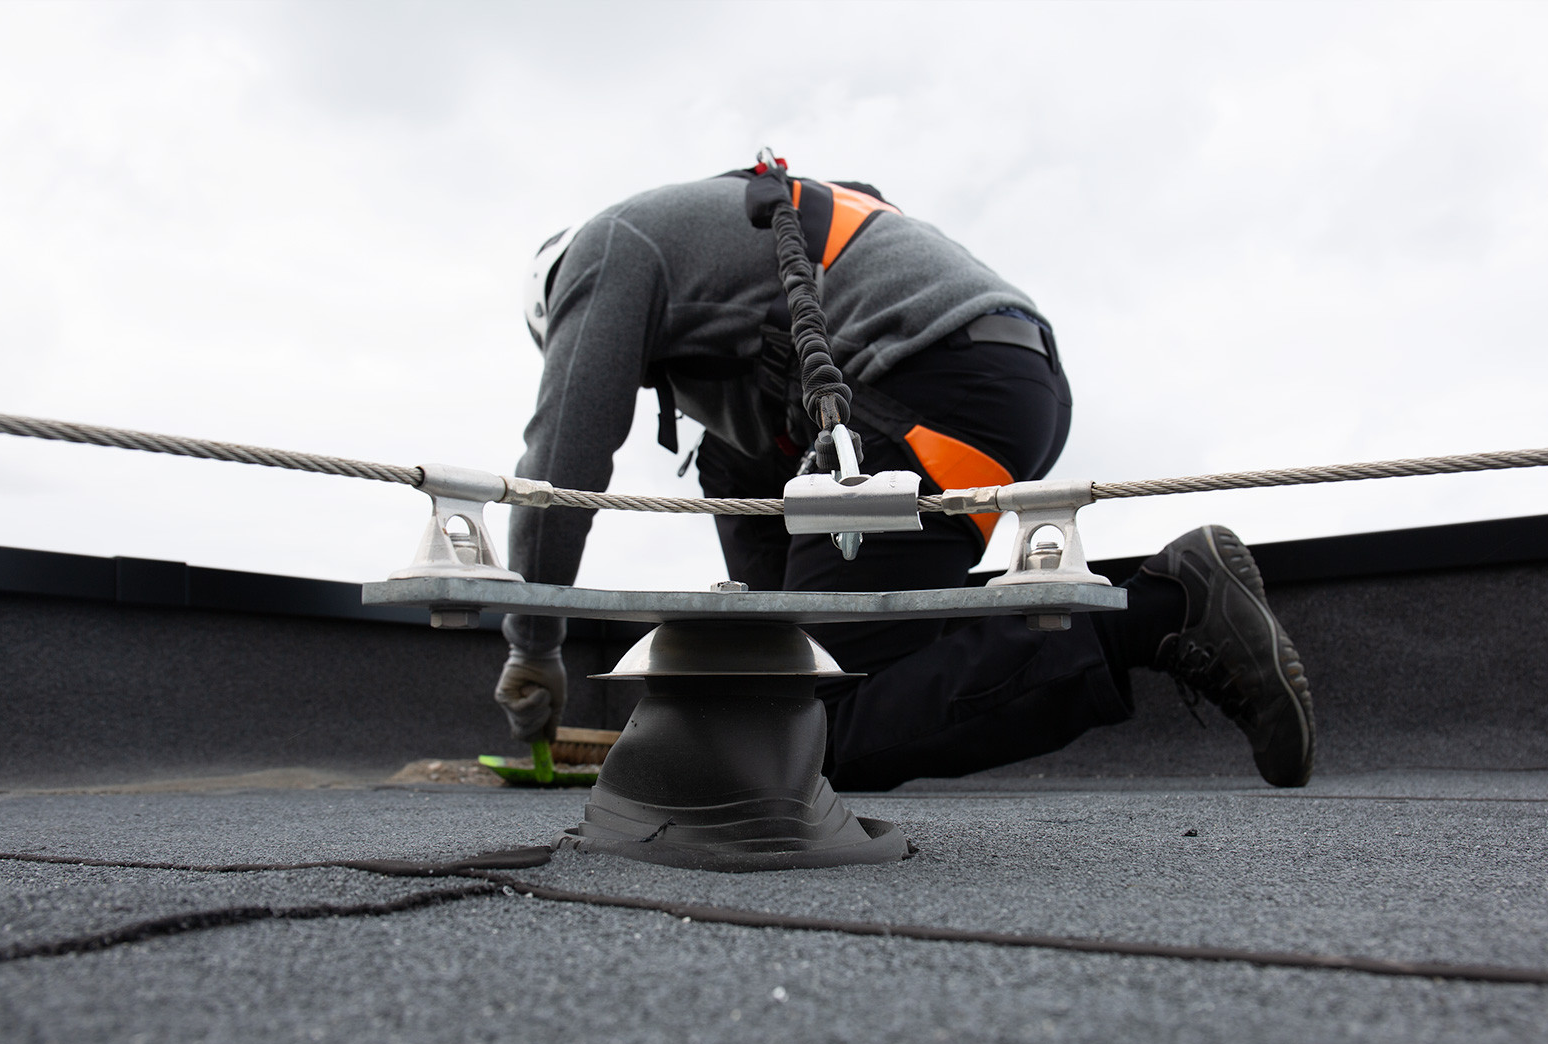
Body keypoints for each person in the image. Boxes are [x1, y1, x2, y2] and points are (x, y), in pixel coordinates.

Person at [494, 157, 1315, 790]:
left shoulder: (607, 249)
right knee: (832, 686)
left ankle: (1163, 610)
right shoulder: (733, 277)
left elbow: (560, 460)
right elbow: (768, 551)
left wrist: (533, 648)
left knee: (819, 730)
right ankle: (1165, 601)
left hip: (924, 380)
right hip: (1005, 380)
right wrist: (763, 673)